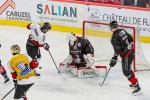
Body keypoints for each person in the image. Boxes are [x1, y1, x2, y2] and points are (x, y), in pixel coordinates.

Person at [109, 21, 141, 95]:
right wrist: (129, 47)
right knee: (128, 69)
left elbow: (118, 51)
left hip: (126, 56)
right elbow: (131, 39)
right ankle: (134, 82)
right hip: (132, 52)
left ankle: (137, 87)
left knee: (126, 72)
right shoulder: (122, 30)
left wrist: (114, 58)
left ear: (111, 27)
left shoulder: (113, 38)